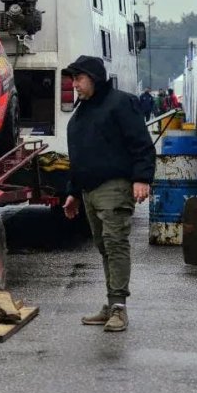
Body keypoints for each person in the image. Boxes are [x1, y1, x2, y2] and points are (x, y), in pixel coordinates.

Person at [62, 55, 156, 332]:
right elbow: (77, 157)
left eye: (78, 79)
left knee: (115, 244)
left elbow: (141, 143)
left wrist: (141, 178)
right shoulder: (81, 112)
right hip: (89, 190)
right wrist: (73, 192)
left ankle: (119, 308)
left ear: (94, 77)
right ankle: (111, 302)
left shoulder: (120, 103)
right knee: (104, 247)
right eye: (73, 80)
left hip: (114, 185)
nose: (74, 85)